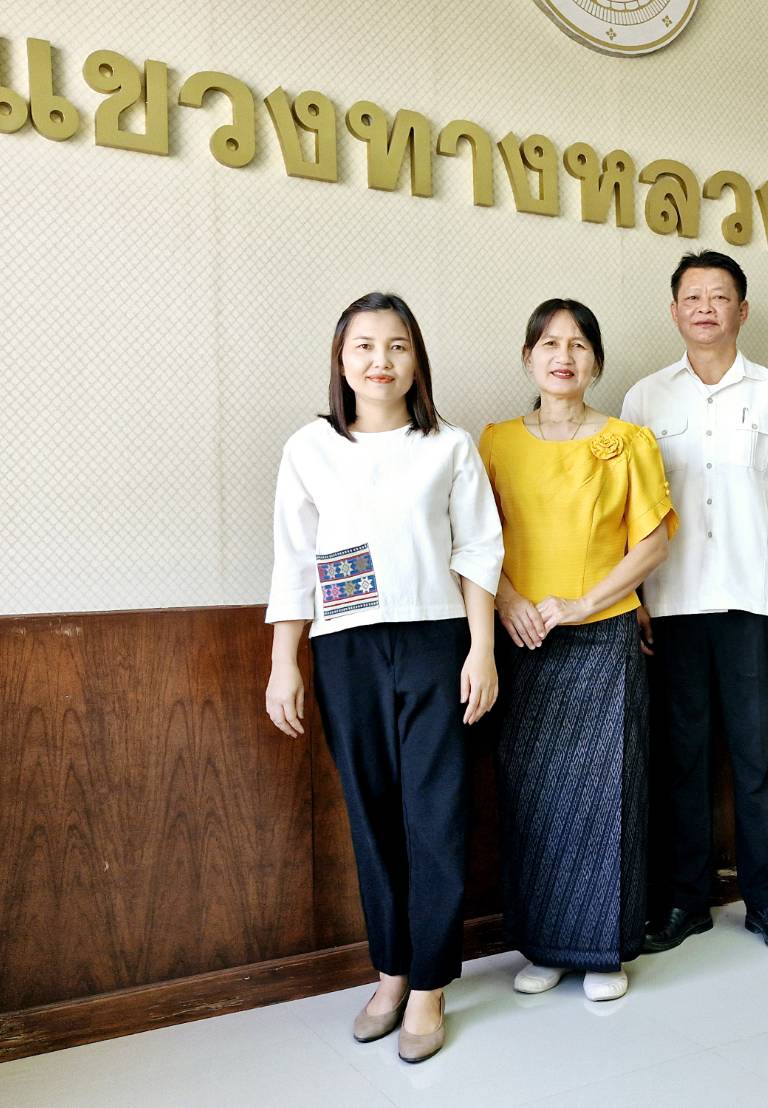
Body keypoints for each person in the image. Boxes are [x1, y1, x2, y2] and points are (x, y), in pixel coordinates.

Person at [264, 292, 502, 1063]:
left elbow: (478, 549)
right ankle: (391, 972)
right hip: (345, 648)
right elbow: (295, 559)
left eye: (396, 346)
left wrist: (481, 649)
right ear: (341, 360)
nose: (380, 361)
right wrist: (284, 662)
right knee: (371, 815)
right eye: (363, 346)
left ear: (416, 359)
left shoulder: (448, 445)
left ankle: (430, 985)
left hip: (436, 641)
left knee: (436, 815)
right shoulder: (310, 447)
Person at [622, 250, 768, 955]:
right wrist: (633, 597)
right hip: (672, 606)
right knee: (682, 761)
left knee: (758, 759)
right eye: (692, 297)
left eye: (719, 296)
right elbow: (626, 511)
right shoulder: (644, 398)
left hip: (754, 605)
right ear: (674, 311)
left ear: (742, 311)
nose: (705, 307)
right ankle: (686, 903)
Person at [478, 298, 676, 1001]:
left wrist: (583, 604)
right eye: (549, 344)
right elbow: (475, 539)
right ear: (528, 357)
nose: (563, 356)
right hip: (523, 638)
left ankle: (603, 953)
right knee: (533, 796)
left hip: (602, 636)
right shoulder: (496, 441)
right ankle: (544, 946)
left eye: (578, 345)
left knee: (606, 794)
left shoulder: (628, 440)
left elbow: (653, 542)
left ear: (595, 361)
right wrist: (509, 602)